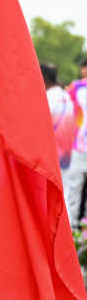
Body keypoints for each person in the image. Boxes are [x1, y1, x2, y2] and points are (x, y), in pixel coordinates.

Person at [66, 57, 87, 233]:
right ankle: (73, 227)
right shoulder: (76, 87)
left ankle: (79, 228)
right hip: (78, 144)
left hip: (79, 144)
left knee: (76, 186)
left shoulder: (75, 87)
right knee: (75, 185)